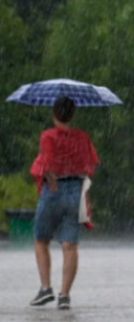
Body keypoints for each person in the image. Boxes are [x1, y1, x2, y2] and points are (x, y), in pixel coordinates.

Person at [28, 96, 100, 310]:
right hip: (76, 191)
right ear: (73, 114)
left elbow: (46, 162)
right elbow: (90, 164)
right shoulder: (82, 137)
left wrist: (51, 181)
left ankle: (45, 288)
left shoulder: (48, 136)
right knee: (70, 245)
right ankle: (65, 295)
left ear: (54, 113)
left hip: (54, 189)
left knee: (41, 240)